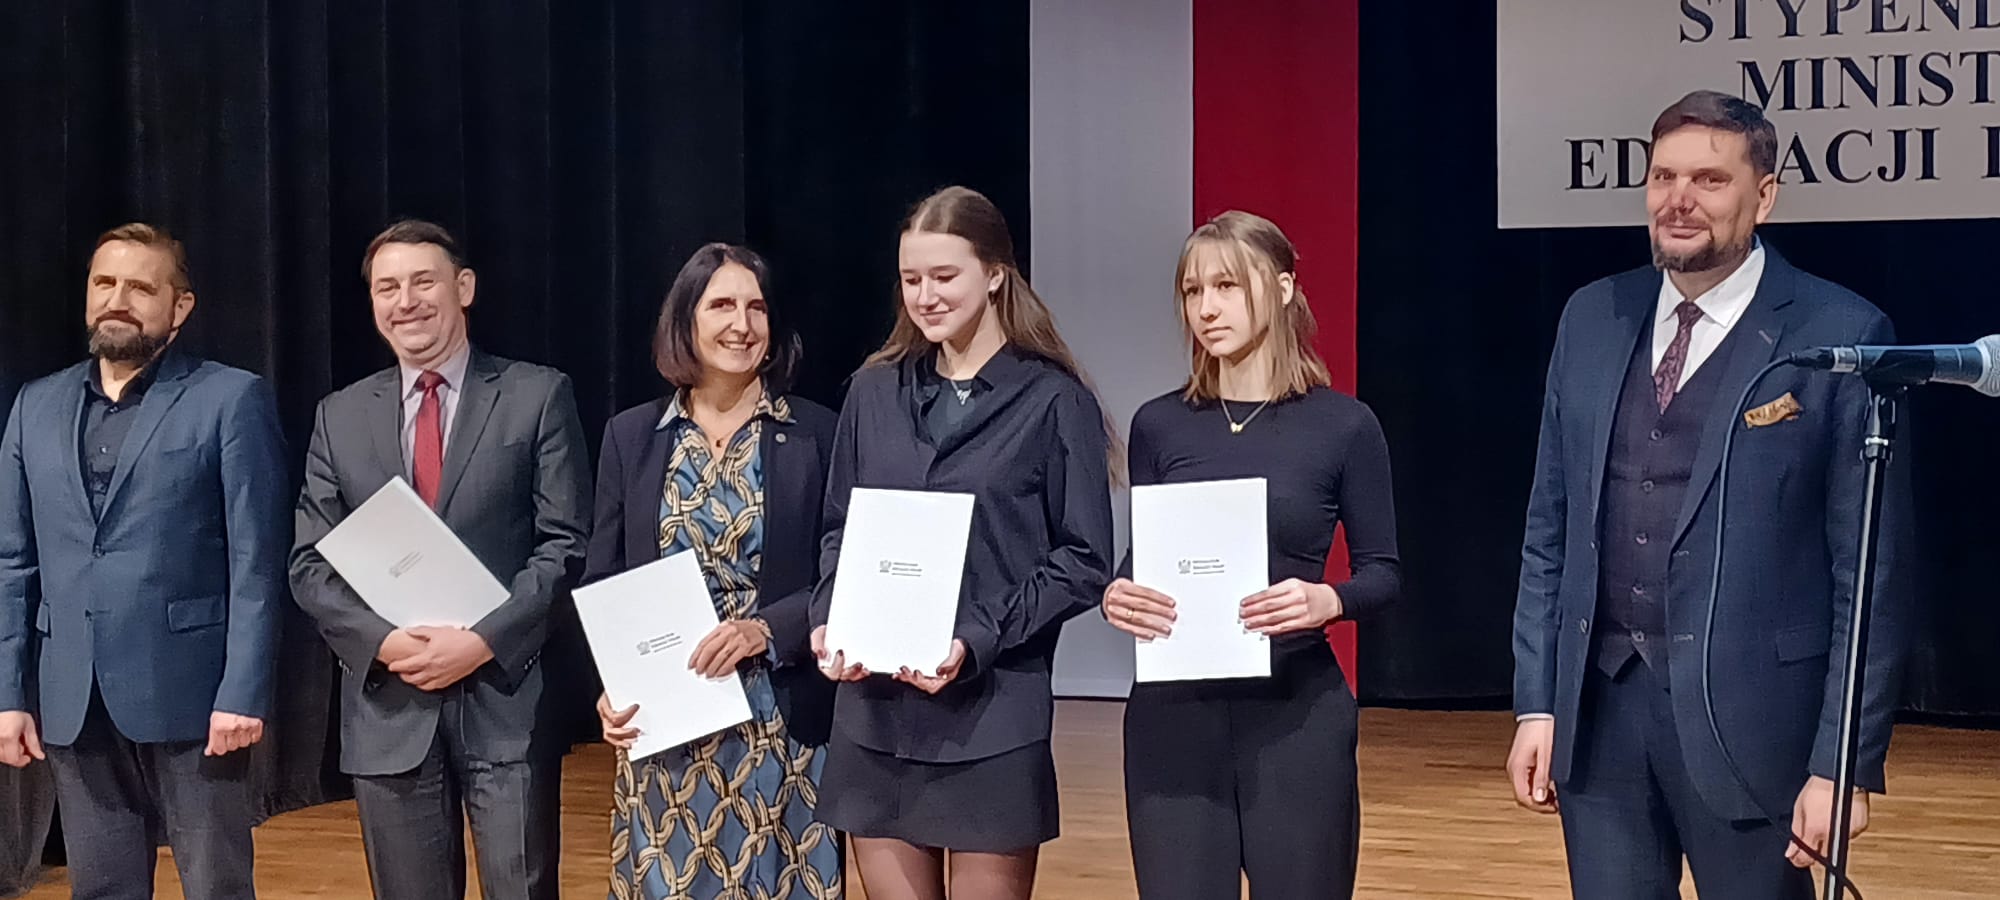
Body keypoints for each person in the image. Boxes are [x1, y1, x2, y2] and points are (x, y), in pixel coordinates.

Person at [1506, 90, 1912, 898]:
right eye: (1662, 177)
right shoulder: (1592, 317)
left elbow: (1870, 577)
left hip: (1759, 734)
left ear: (1764, 196)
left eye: (1708, 179)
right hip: (1601, 725)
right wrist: (1537, 704)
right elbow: (1548, 532)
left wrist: (1843, 763)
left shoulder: (1841, 332)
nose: (1678, 200)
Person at [808, 185, 1116, 900]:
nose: (926, 296)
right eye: (912, 279)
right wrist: (830, 616)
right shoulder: (872, 391)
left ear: (995, 273)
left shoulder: (1053, 400)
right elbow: (838, 530)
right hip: (874, 716)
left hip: (991, 718)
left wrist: (977, 637)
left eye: (944, 276)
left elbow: (1083, 560)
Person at [1100, 211, 1400, 899]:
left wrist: (1329, 599)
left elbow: (1384, 574)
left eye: (1227, 286)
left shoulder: (1344, 425)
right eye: (1191, 291)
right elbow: (1144, 558)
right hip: (1173, 720)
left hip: (1295, 714)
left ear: (1285, 287)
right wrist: (1120, 593)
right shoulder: (1159, 423)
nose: (1206, 308)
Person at [289, 219, 591, 900]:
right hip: (388, 706)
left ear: (464, 287)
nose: (407, 301)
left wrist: (483, 640)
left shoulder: (536, 395)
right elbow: (311, 564)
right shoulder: (339, 416)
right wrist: (386, 644)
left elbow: (565, 544)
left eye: (423, 281)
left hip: (506, 701)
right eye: (387, 287)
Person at [0, 223, 289, 899]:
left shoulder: (229, 398)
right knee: (101, 888)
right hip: (74, 693)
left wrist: (243, 692)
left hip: (195, 696)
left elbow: (257, 558)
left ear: (179, 307)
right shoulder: (35, 405)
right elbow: (13, 562)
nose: (118, 300)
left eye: (140, 286)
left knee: (216, 884)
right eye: (105, 283)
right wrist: (10, 695)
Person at [587, 243, 843, 899]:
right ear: (686, 321)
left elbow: (841, 571)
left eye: (756, 307)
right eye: (722, 304)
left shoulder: (819, 433)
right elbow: (606, 580)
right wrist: (610, 689)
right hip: (668, 724)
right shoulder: (631, 436)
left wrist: (766, 630)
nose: (743, 323)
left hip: (782, 722)